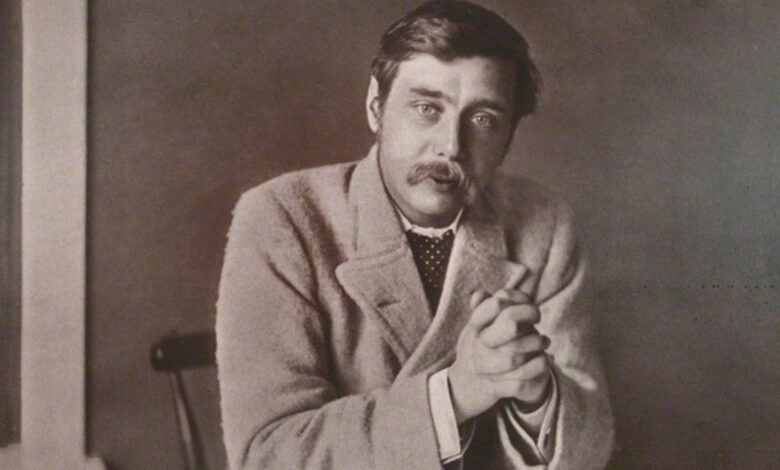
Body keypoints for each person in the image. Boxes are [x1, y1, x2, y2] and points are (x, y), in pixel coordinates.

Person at [216, 1, 614, 469]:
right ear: (376, 106)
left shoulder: (544, 225)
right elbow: (266, 456)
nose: (451, 146)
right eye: (427, 108)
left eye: (483, 119)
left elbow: (592, 450)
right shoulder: (282, 218)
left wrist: (538, 397)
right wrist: (455, 394)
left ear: (509, 136)